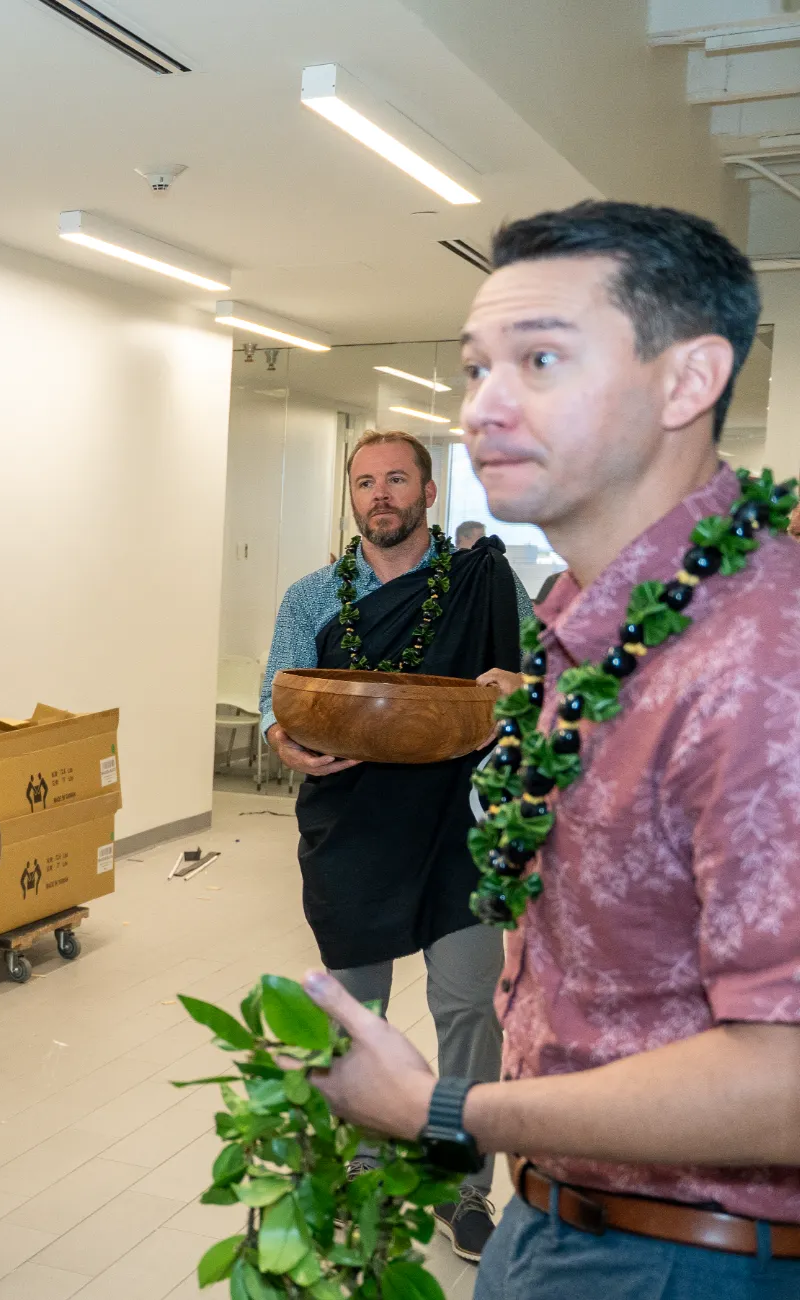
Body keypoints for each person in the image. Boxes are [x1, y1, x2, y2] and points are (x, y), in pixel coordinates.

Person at [300, 201, 800, 1298]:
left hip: (688, 1258)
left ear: (689, 380)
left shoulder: (764, 657)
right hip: (563, 1218)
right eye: (477, 368)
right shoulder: (594, 626)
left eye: (539, 360)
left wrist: (445, 1108)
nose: (483, 406)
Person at [260, 429, 533, 1261]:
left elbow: (549, 676)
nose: (380, 495)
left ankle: (464, 1185)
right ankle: (361, 1166)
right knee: (356, 1009)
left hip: (461, 823)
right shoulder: (312, 596)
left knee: (468, 1006)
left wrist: (523, 686)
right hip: (351, 825)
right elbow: (276, 696)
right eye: (365, 482)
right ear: (352, 495)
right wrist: (283, 740)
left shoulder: (485, 584)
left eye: (397, 480)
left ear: (428, 491)